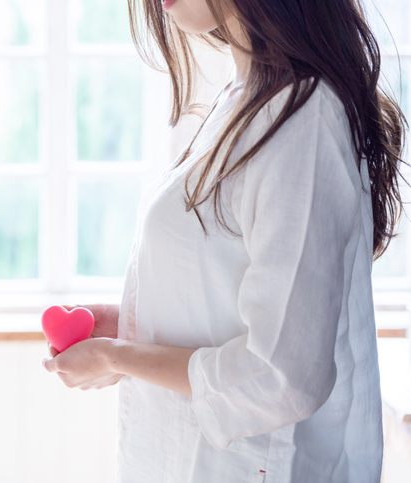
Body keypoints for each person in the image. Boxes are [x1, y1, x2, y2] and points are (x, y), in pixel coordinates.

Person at [41, 0, 408, 481]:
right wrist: (134, 324)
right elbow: (224, 284)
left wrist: (117, 356)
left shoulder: (303, 119)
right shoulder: (246, 96)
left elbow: (283, 377)